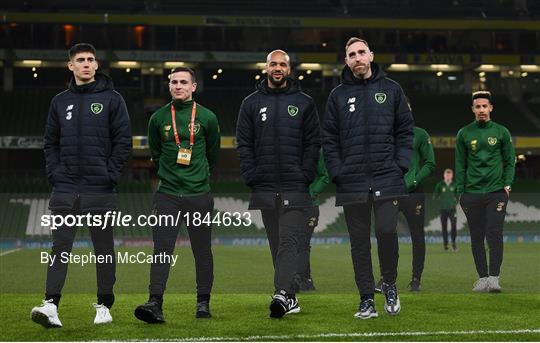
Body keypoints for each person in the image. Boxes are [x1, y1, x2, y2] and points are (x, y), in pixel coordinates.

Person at [31, 43, 132, 328]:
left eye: (90, 60)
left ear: (96, 65)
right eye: (80, 60)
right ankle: (50, 305)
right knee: (60, 246)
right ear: (71, 66)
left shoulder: (113, 100)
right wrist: (56, 174)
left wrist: (109, 174)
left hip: (100, 188)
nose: (86, 64)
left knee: (103, 248)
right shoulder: (59, 102)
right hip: (65, 189)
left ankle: (104, 305)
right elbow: (50, 142)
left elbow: (123, 142)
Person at [322, 37, 413, 319]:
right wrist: (338, 171)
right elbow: (329, 139)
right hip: (352, 181)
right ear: (346, 61)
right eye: (352, 54)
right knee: (358, 243)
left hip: (388, 177)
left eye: (362, 52)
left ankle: (389, 282)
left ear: (371, 55)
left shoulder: (392, 89)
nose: (358, 57)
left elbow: (405, 130)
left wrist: (400, 165)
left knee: (386, 231)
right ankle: (365, 299)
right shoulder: (337, 96)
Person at [236, 49, 320, 318]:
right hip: (265, 185)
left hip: (295, 185)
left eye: (283, 64)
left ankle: (281, 294)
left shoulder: (304, 102)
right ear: (266, 67)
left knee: (288, 240)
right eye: (273, 64)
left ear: (289, 69)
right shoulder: (250, 103)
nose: (278, 68)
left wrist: (305, 173)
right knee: (276, 243)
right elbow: (244, 144)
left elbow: (313, 143)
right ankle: (291, 296)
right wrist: (251, 174)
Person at [134, 67, 220, 323]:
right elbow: (156, 153)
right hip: (167, 195)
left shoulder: (208, 117)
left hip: (199, 195)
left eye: (184, 82)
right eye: (174, 82)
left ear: (194, 86)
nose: (178, 86)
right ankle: (155, 303)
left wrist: (199, 174)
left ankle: (203, 302)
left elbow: (213, 155)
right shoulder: (158, 119)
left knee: (202, 251)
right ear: (169, 86)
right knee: (162, 250)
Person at [456, 90, 515, 293]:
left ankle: (494, 278)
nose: (481, 110)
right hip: (471, 193)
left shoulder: (502, 132)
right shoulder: (463, 133)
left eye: (484, 106)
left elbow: (510, 161)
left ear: (490, 108)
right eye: (477, 107)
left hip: (496, 191)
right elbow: (460, 164)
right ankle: (482, 278)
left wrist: (507, 185)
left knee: (494, 232)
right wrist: (460, 192)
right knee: (476, 236)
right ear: (473, 109)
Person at [375, 123, 435, 293]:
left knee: (417, 235)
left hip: (413, 193)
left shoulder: (420, 134)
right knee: (385, 233)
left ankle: (416, 279)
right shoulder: (383, 133)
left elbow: (430, 162)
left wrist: (415, 181)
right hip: (390, 191)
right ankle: (386, 278)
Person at [292, 150, 329, 292]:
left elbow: (324, 177)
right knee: (298, 243)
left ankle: (298, 278)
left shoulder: (317, 151)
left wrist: (311, 192)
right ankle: (306, 280)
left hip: (310, 206)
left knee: (302, 242)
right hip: (292, 203)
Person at [433, 169, 459, 251]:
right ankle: (445, 245)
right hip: (443, 209)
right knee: (444, 227)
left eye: (449, 174)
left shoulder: (455, 185)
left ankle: (454, 243)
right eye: (446, 174)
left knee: (454, 225)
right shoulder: (440, 185)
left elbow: (458, 196)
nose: (448, 176)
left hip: (452, 210)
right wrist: (439, 200)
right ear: (444, 175)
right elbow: (435, 195)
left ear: (452, 176)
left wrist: (455, 201)